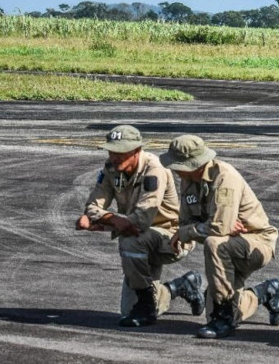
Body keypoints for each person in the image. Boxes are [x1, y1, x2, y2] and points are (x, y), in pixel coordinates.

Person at [75, 125, 204, 328]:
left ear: (136, 151)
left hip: (170, 237)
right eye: (111, 151)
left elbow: (141, 220)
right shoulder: (110, 168)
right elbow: (92, 206)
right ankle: (179, 287)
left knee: (131, 241)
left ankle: (145, 306)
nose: (114, 157)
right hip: (139, 239)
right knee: (127, 311)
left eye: (121, 152)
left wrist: (106, 220)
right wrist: (110, 218)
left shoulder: (154, 170)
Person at [163, 135, 279, 339]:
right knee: (212, 311)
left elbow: (215, 228)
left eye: (179, 165)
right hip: (228, 245)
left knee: (214, 243)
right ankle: (265, 292)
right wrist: (212, 226)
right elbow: (186, 222)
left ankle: (224, 315)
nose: (174, 170)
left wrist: (199, 230)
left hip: (255, 241)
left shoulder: (224, 177)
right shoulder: (188, 180)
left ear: (195, 164)